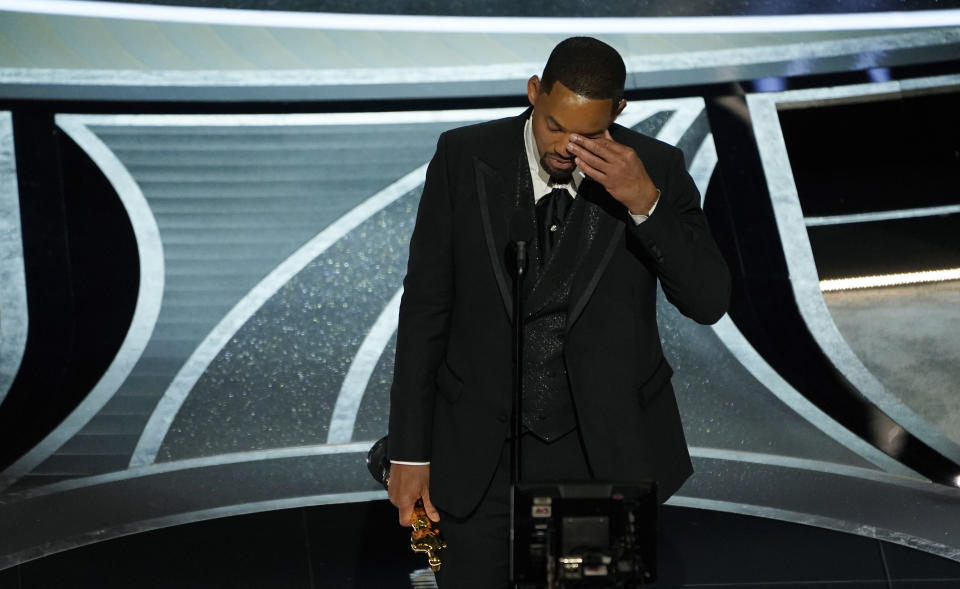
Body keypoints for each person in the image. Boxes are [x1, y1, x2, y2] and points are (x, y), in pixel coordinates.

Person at [387, 36, 730, 588]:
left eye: (589, 134)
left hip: (599, 457)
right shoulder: (462, 156)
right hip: (478, 456)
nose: (567, 147)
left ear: (618, 113)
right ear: (533, 92)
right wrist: (409, 452)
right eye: (553, 125)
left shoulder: (655, 169)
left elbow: (709, 301)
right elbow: (426, 308)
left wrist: (645, 203)